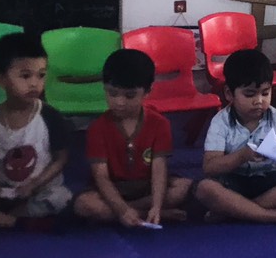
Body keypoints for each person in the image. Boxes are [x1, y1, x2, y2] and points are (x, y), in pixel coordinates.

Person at [0, 33, 72, 229]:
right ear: (0, 79)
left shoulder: (50, 116)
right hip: (3, 192)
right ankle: (19, 221)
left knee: (61, 197)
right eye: (25, 76)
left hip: (40, 189)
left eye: (41, 75)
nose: (34, 83)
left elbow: (61, 159)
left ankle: (5, 219)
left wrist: (34, 184)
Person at [194, 49, 276, 224]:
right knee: (205, 188)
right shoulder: (221, 121)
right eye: (249, 94)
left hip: (271, 179)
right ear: (229, 94)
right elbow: (210, 167)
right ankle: (270, 215)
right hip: (235, 181)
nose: (259, 101)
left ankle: (237, 211)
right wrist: (241, 156)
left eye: (265, 93)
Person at [73, 49, 191, 227]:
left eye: (129, 96)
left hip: (146, 187)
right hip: (114, 189)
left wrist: (156, 206)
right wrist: (122, 210)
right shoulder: (98, 128)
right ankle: (142, 214)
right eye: (112, 93)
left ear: (147, 91)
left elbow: (159, 170)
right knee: (84, 204)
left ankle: (138, 212)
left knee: (183, 187)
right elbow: (101, 176)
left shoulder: (159, 124)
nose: (119, 102)